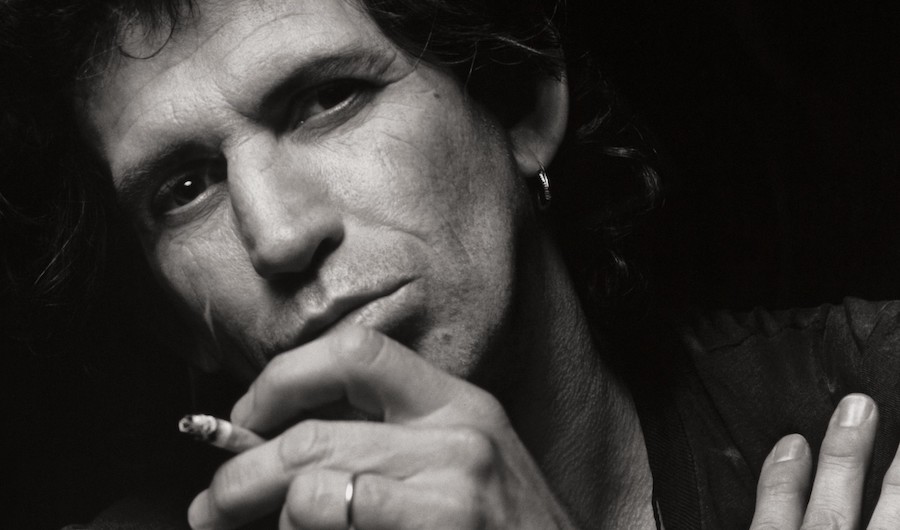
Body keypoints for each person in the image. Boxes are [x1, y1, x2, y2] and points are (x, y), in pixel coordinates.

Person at [3, 0, 900, 528]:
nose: (275, 235)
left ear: (521, 106)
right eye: (185, 187)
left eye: (327, 100)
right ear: (168, 317)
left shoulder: (875, 397)